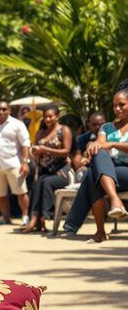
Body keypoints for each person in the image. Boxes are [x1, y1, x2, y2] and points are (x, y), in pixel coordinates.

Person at [58, 88, 128, 242]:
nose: (117, 109)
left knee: (92, 175)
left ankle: (94, 229)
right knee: (97, 158)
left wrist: (113, 144)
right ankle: (114, 202)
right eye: (115, 105)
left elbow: (107, 144)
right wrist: (93, 145)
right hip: (110, 172)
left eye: (121, 105)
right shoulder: (106, 127)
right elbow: (100, 144)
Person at [21, 106, 69, 234]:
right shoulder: (40, 133)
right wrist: (36, 153)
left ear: (57, 116)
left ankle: (42, 217)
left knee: (46, 182)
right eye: (45, 117)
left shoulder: (64, 130)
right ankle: (36, 220)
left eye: (50, 116)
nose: (47, 119)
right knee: (37, 184)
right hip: (45, 171)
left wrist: (45, 149)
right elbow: (37, 152)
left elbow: (66, 151)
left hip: (61, 172)